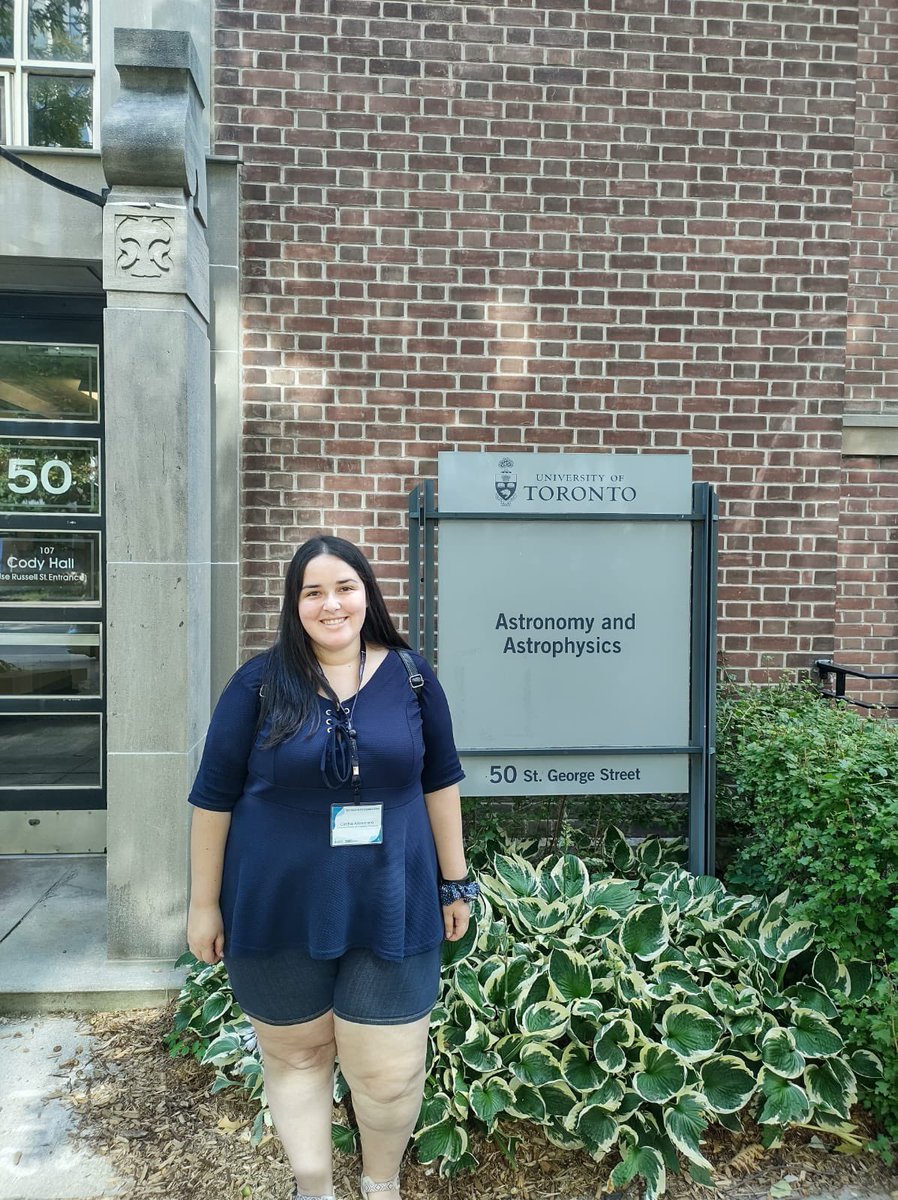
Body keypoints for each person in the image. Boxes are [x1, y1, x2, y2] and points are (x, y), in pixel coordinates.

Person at [186, 535, 477, 1200]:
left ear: (367, 593)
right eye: (312, 591)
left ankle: (381, 1184)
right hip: (276, 904)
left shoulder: (411, 676)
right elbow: (212, 797)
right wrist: (203, 904)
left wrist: (454, 879)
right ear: (294, 605)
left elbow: (442, 780)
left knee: (390, 1074)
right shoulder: (257, 684)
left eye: (344, 586)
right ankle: (312, 1188)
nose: (331, 603)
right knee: (297, 1056)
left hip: (392, 899)